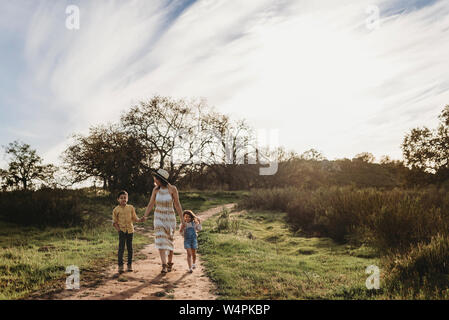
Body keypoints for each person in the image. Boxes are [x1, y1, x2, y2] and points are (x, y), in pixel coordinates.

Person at [143, 169, 184, 274]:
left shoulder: (172, 189)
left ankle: (170, 262)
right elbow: (151, 204)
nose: (154, 180)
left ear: (160, 179)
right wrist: (145, 216)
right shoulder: (155, 190)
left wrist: (182, 220)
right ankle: (164, 265)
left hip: (170, 218)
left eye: (156, 178)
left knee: (169, 241)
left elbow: (177, 205)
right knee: (161, 240)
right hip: (158, 218)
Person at [112, 190, 145, 274]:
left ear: (127, 199)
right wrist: (119, 230)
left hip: (130, 231)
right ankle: (120, 266)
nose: (123, 199)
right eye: (121, 198)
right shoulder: (116, 210)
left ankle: (129, 265)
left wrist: (140, 220)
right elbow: (114, 222)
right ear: (118, 199)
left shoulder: (131, 208)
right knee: (121, 249)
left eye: (125, 198)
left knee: (130, 248)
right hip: (122, 231)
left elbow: (135, 218)